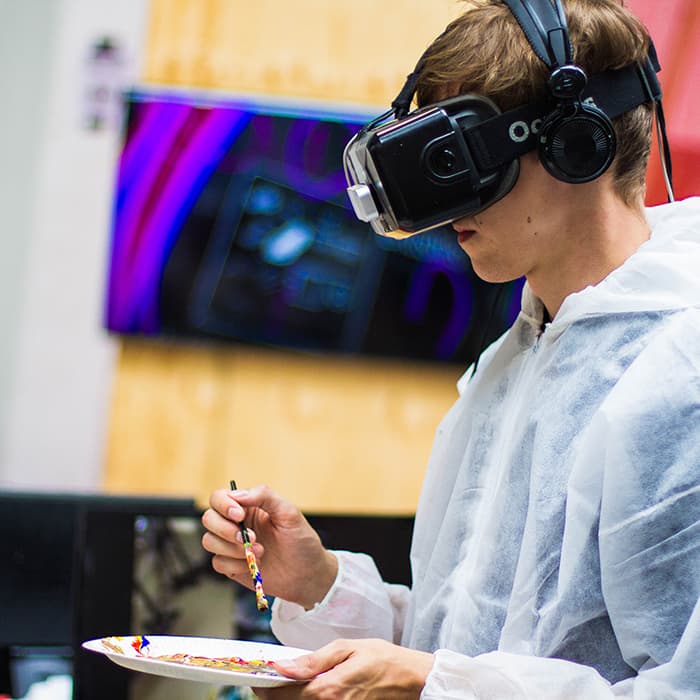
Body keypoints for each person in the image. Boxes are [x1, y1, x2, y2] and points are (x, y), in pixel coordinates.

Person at [201, 0, 700, 697]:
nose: (444, 208)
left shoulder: (679, 375)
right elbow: (465, 645)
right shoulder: (515, 361)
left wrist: (432, 685)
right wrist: (320, 585)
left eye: (464, 162)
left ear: (575, 145)